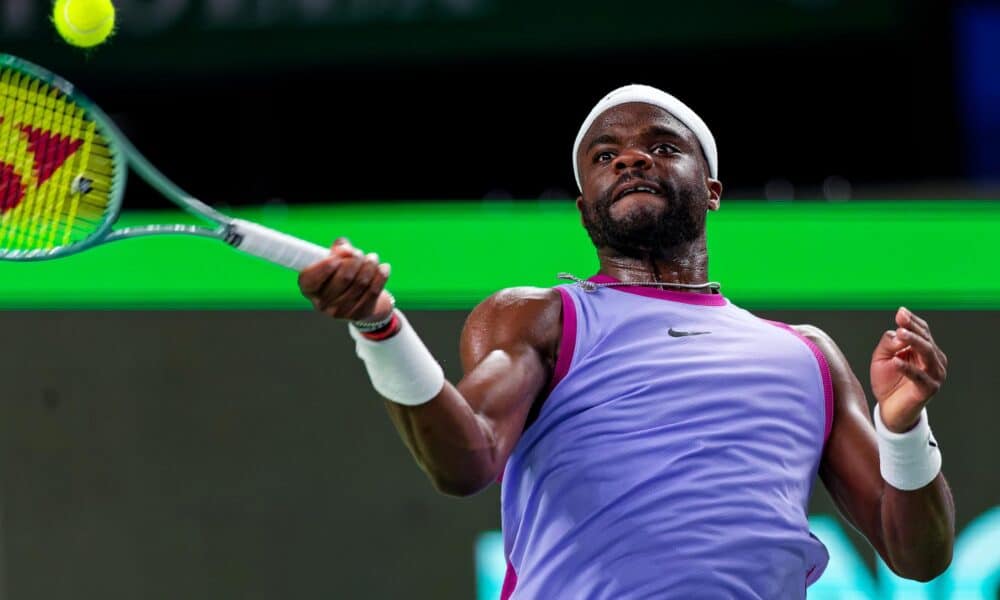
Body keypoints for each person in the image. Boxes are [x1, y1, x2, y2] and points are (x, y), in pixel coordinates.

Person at [298, 85, 955, 599]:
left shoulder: (805, 353)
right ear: (585, 207)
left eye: (663, 147)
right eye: (606, 157)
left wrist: (903, 429)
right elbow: (464, 460)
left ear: (714, 190)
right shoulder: (540, 319)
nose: (633, 158)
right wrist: (380, 327)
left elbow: (918, 556)